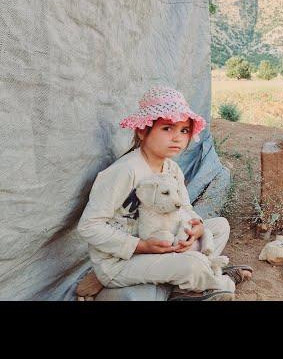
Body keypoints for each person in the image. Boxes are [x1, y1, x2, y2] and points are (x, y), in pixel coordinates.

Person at [77, 86, 252, 301]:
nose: (177, 138)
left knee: (219, 227)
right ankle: (217, 281)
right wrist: (141, 246)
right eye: (167, 128)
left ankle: (190, 281)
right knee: (192, 265)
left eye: (184, 131)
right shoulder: (124, 172)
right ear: (143, 131)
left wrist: (195, 227)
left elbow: (184, 208)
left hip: (164, 242)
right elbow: (89, 226)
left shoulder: (172, 169)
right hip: (124, 260)